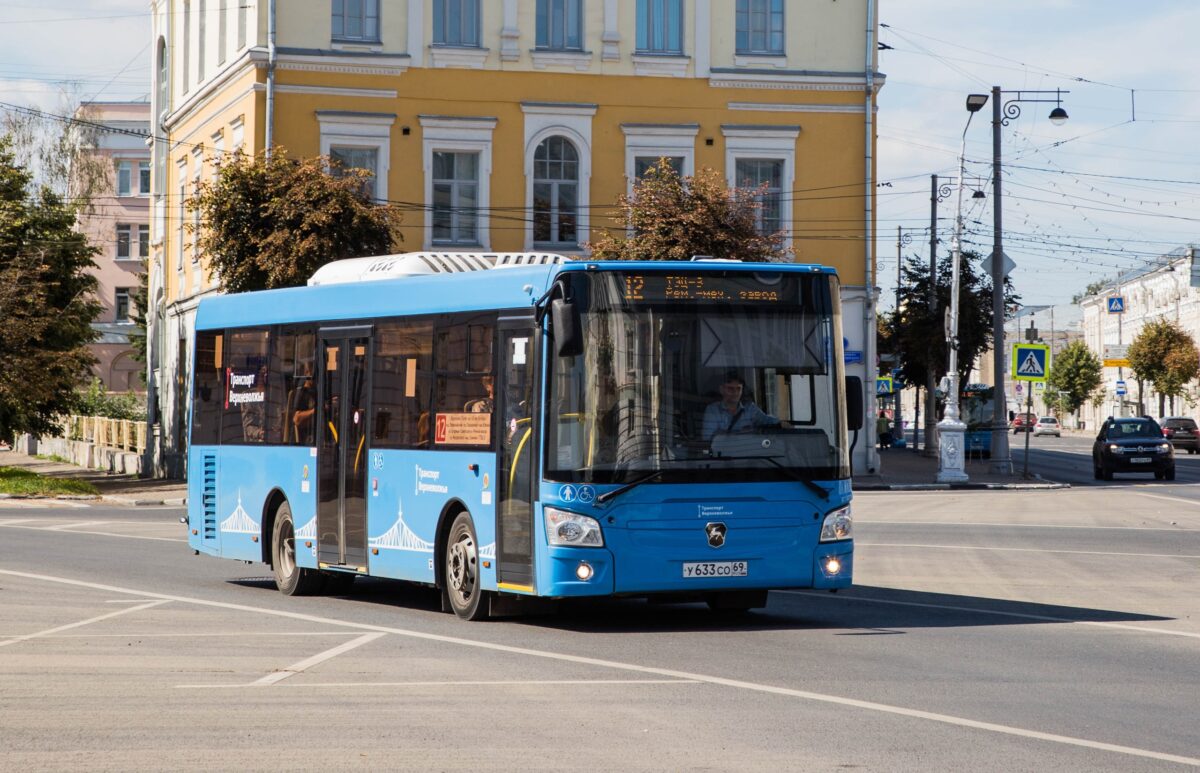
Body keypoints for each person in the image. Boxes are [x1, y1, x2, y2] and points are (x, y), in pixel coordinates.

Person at [701, 371, 781, 442]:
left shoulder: (750, 408)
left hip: (749, 454)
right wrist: (742, 433)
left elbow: (766, 420)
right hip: (723, 454)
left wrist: (781, 423)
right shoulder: (713, 410)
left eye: (738, 389)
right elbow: (708, 438)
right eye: (730, 389)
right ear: (722, 390)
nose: (735, 393)